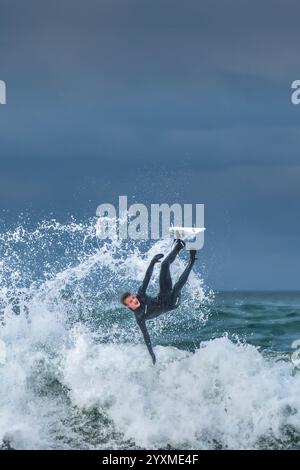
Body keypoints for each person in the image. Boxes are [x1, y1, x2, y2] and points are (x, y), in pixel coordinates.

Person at [120, 239, 197, 364]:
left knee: (164, 265)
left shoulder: (140, 295)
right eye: (131, 301)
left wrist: (152, 262)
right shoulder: (139, 317)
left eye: (132, 298)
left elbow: (147, 278)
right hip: (172, 303)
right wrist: (152, 354)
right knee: (177, 287)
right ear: (129, 307)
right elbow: (146, 337)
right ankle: (192, 260)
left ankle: (178, 246)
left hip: (163, 295)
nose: (134, 300)